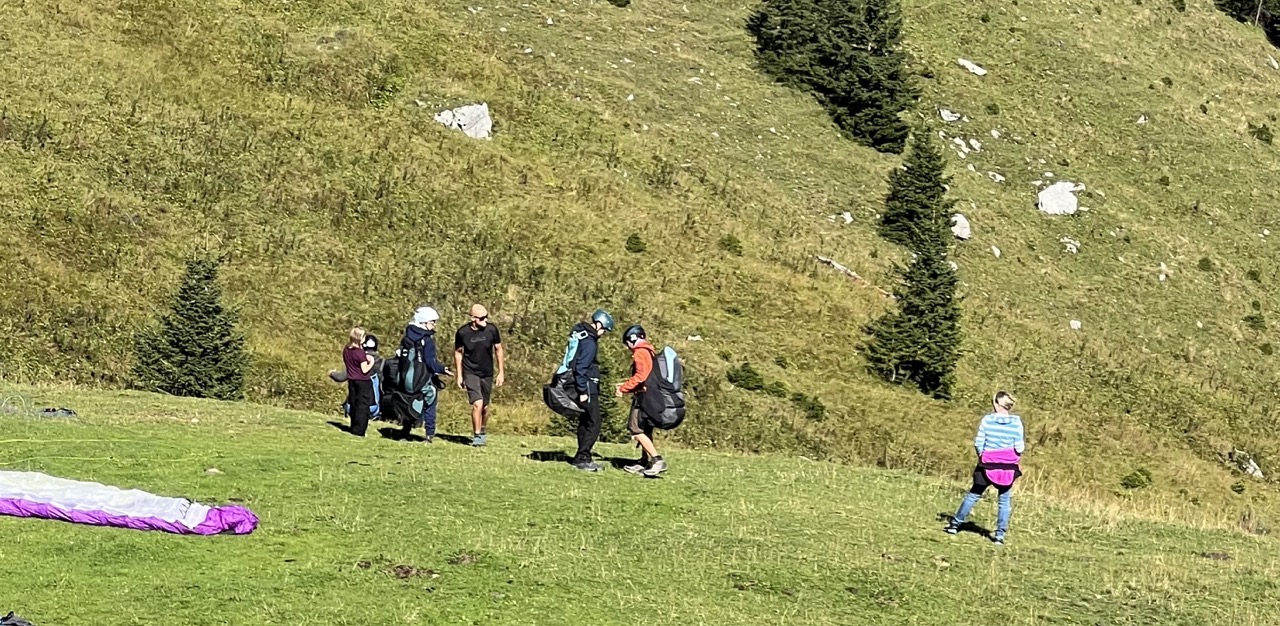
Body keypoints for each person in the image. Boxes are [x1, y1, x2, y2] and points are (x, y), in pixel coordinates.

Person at [944, 391, 1025, 545]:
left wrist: (983, 456)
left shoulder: (987, 420)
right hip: (1007, 466)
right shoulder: (1016, 422)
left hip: (987, 464)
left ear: (996, 403)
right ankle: (999, 536)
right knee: (1004, 500)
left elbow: (978, 442)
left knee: (973, 494)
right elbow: (1020, 447)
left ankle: (955, 524)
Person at [555, 309, 614, 472]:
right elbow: (581, 368)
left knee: (585, 420)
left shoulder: (580, 333)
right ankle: (583, 457)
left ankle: (581, 456)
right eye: (604, 330)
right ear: (599, 325)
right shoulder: (590, 342)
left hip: (576, 384)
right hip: (586, 386)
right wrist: (582, 391)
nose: (603, 334)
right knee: (594, 422)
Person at [616, 325, 667, 477]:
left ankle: (657, 460)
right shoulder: (650, 351)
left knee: (635, 428)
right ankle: (644, 461)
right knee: (646, 430)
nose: (628, 347)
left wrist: (623, 388)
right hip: (651, 395)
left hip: (643, 398)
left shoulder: (640, 352)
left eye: (627, 343)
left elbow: (641, 376)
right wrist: (628, 386)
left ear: (632, 339)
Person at [396, 307, 451, 442]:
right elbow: (430, 362)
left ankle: (405, 431)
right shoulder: (426, 340)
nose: (434, 325)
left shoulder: (407, 336)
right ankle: (429, 434)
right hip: (423, 377)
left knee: (410, 402)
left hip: (406, 378)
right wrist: (443, 369)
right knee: (430, 402)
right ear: (424, 322)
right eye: (432, 322)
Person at [454, 304, 505, 447]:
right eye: (482, 318)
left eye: (486, 317)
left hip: (487, 372)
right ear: (473, 318)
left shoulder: (491, 329)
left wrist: (501, 372)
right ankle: (476, 435)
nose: (485, 320)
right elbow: (458, 352)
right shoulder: (463, 333)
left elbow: (499, 349)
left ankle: (482, 430)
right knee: (477, 403)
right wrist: (459, 375)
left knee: (485, 407)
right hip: (470, 371)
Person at [342, 327, 377, 437]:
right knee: (362, 406)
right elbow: (364, 369)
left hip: (352, 379)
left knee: (354, 403)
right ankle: (360, 430)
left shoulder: (347, 349)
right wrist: (371, 361)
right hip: (363, 381)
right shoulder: (360, 353)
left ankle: (353, 426)